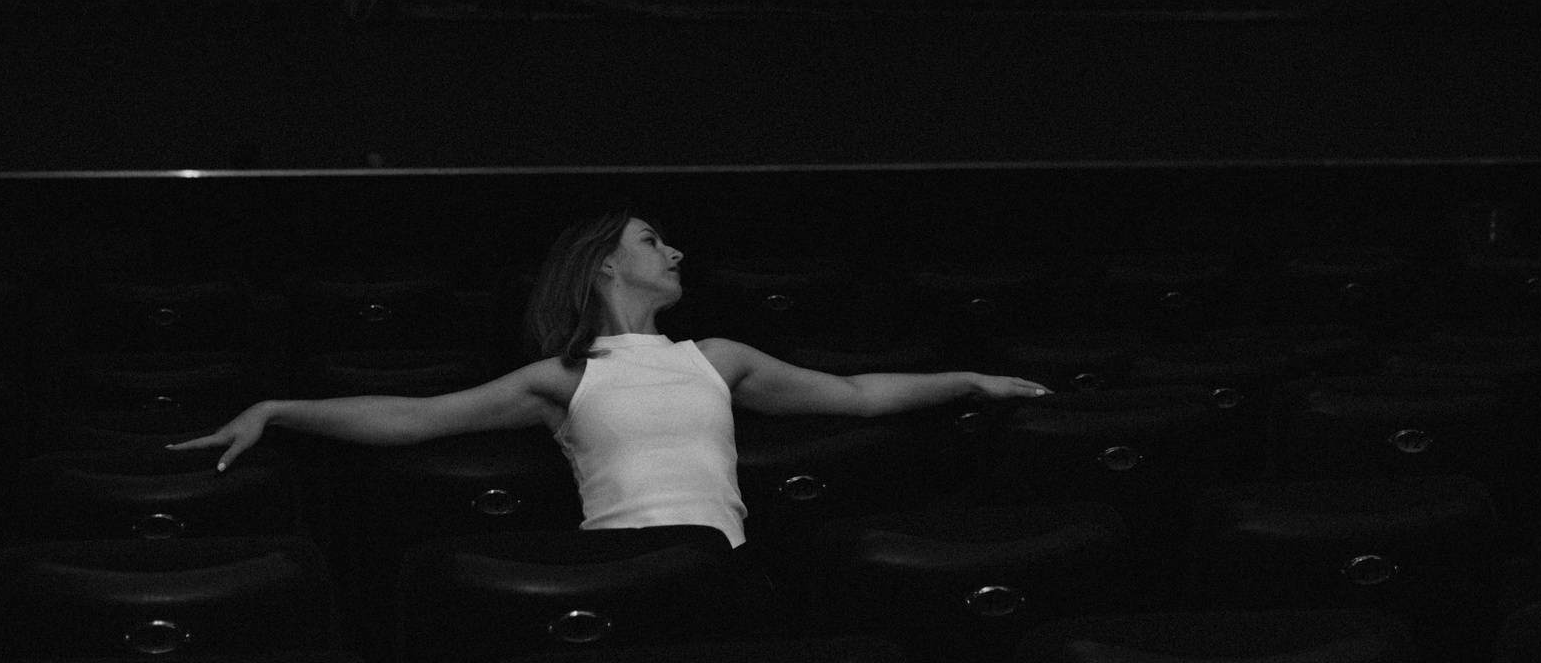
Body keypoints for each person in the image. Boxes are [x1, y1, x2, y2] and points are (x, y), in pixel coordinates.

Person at [167, 207, 1052, 627]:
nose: (676, 251)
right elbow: (415, 417)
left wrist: (969, 378)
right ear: (604, 265)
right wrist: (280, 407)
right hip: (614, 573)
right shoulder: (564, 375)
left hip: (720, 570)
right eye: (653, 241)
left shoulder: (716, 358)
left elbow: (855, 396)